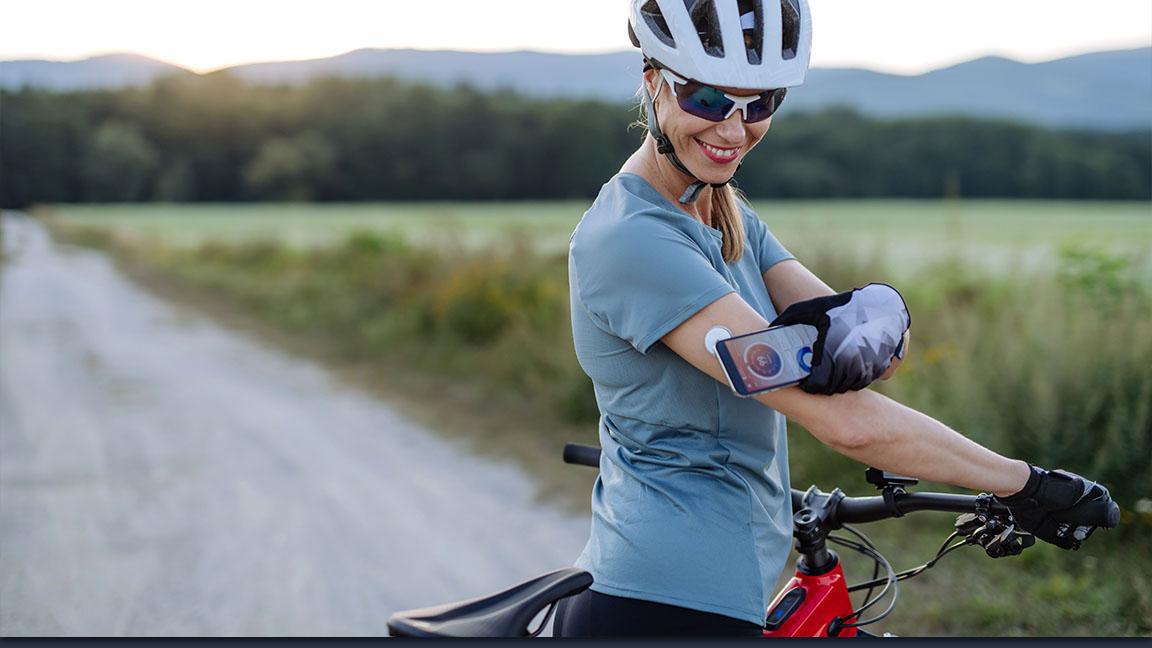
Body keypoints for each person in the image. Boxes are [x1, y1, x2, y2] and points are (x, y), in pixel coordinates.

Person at [554, 0, 1118, 638]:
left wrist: (845, 336)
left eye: (760, 103)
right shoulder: (634, 240)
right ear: (654, 80)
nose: (735, 131)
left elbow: (877, 349)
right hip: (660, 607)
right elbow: (842, 415)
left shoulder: (722, 210)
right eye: (710, 99)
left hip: (715, 591)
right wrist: (1026, 483)